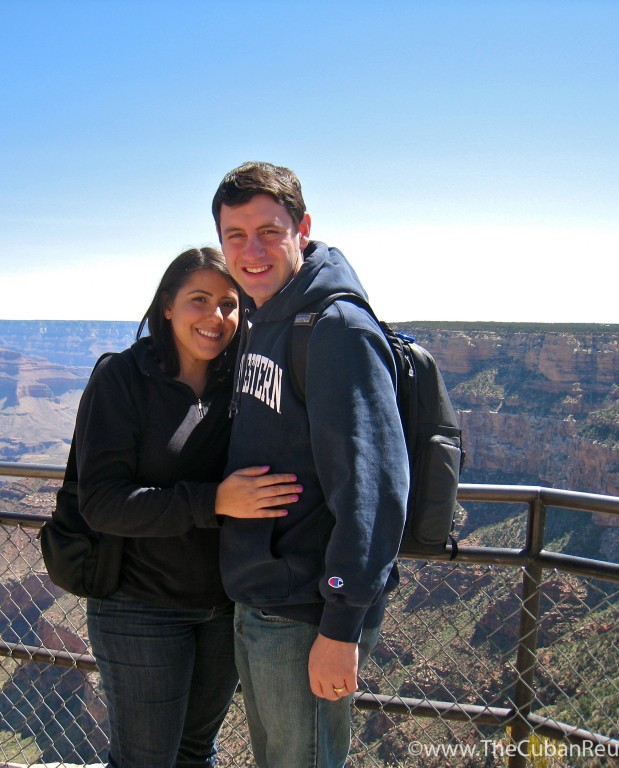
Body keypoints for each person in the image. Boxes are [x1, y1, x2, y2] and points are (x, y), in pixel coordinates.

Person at [211, 162, 410, 767]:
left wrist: (341, 627)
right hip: (264, 598)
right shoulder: (262, 318)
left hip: (308, 613)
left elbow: (374, 490)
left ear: (302, 228)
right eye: (235, 236)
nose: (252, 251)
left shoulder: (335, 329)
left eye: (269, 231)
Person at [74, 246, 301, 768]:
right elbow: (102, 503)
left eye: (229, 303)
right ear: (168, 306)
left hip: (225, 606)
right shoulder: (122, 380)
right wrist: (214, 501)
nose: (215, 317)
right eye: (199, 300)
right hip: (140, 607)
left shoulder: (245, 379)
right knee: (145, 760)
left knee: (198, 752)